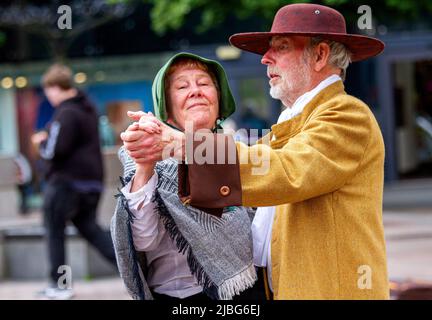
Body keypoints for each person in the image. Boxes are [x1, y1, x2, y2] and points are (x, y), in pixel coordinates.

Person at [121, 4, 389, 300]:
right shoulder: (292, 123)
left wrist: (180, 144)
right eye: (182, 87)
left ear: (320, 55)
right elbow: (248, 169)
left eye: (281, 47)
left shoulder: (347, 114)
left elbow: (284, 170)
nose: (265, 58)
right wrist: (152, 152)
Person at [112, 52, 264, 300]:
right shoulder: (148, 157)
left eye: (204, 84)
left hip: (250, 292)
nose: (195, 91)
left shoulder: (242, 152)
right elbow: (143, 241)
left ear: (219, 100)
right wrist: (146, 165)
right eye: (182, 86)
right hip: (184, 298)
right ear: (167, 110)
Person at [32, 64, 116, 300]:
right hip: (91, 184)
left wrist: (41, 141)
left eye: (48, 90)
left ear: (55, 88)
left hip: (65, 184)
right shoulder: (89, 110)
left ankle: (59, 286)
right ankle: (136, 270)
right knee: (92, 230)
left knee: (54, 230)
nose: (48, 96)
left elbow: (54, 150)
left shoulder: (65, 113)